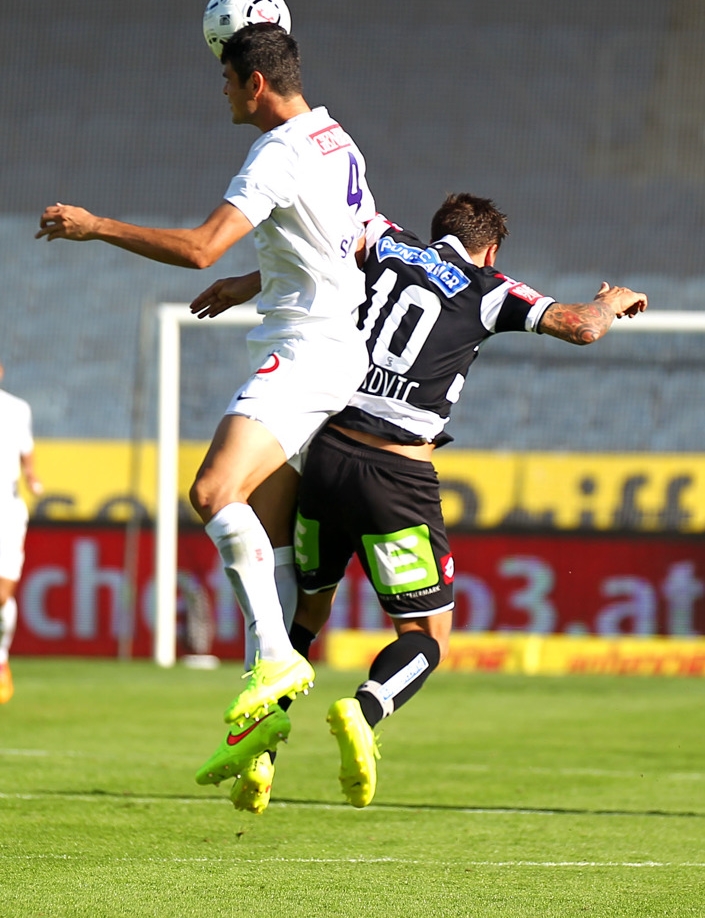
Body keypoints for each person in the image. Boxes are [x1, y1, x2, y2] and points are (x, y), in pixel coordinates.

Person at [191, 193, 648, 813]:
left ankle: (260, 749)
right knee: (427, 634)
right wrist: (609, 302)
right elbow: (583, 327)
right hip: (397, 476)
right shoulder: (491, 288)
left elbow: (315, 258)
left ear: (438, 232)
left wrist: (245, 284)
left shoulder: (383, 240)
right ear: (489, 249)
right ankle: (365, 707)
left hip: (325, 457)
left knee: (307, 611)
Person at [36, 23, 376, 729]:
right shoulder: (335, 138)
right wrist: (254, 280)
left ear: (254, 83)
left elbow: (197, 249)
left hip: (306, 353)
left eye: (224, 78)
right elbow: (352, 245)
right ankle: (265, 721)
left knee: (214, 491)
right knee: (271, 533)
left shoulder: (275, 154)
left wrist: (95, 226)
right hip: (342, 349)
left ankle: (276, 659)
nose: (219, 90)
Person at [0, 363, 43, 703]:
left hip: (7, 510)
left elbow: (26, 451)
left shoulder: (16, 408)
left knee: (2, 594)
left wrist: (32, 478)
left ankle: (1, 658)